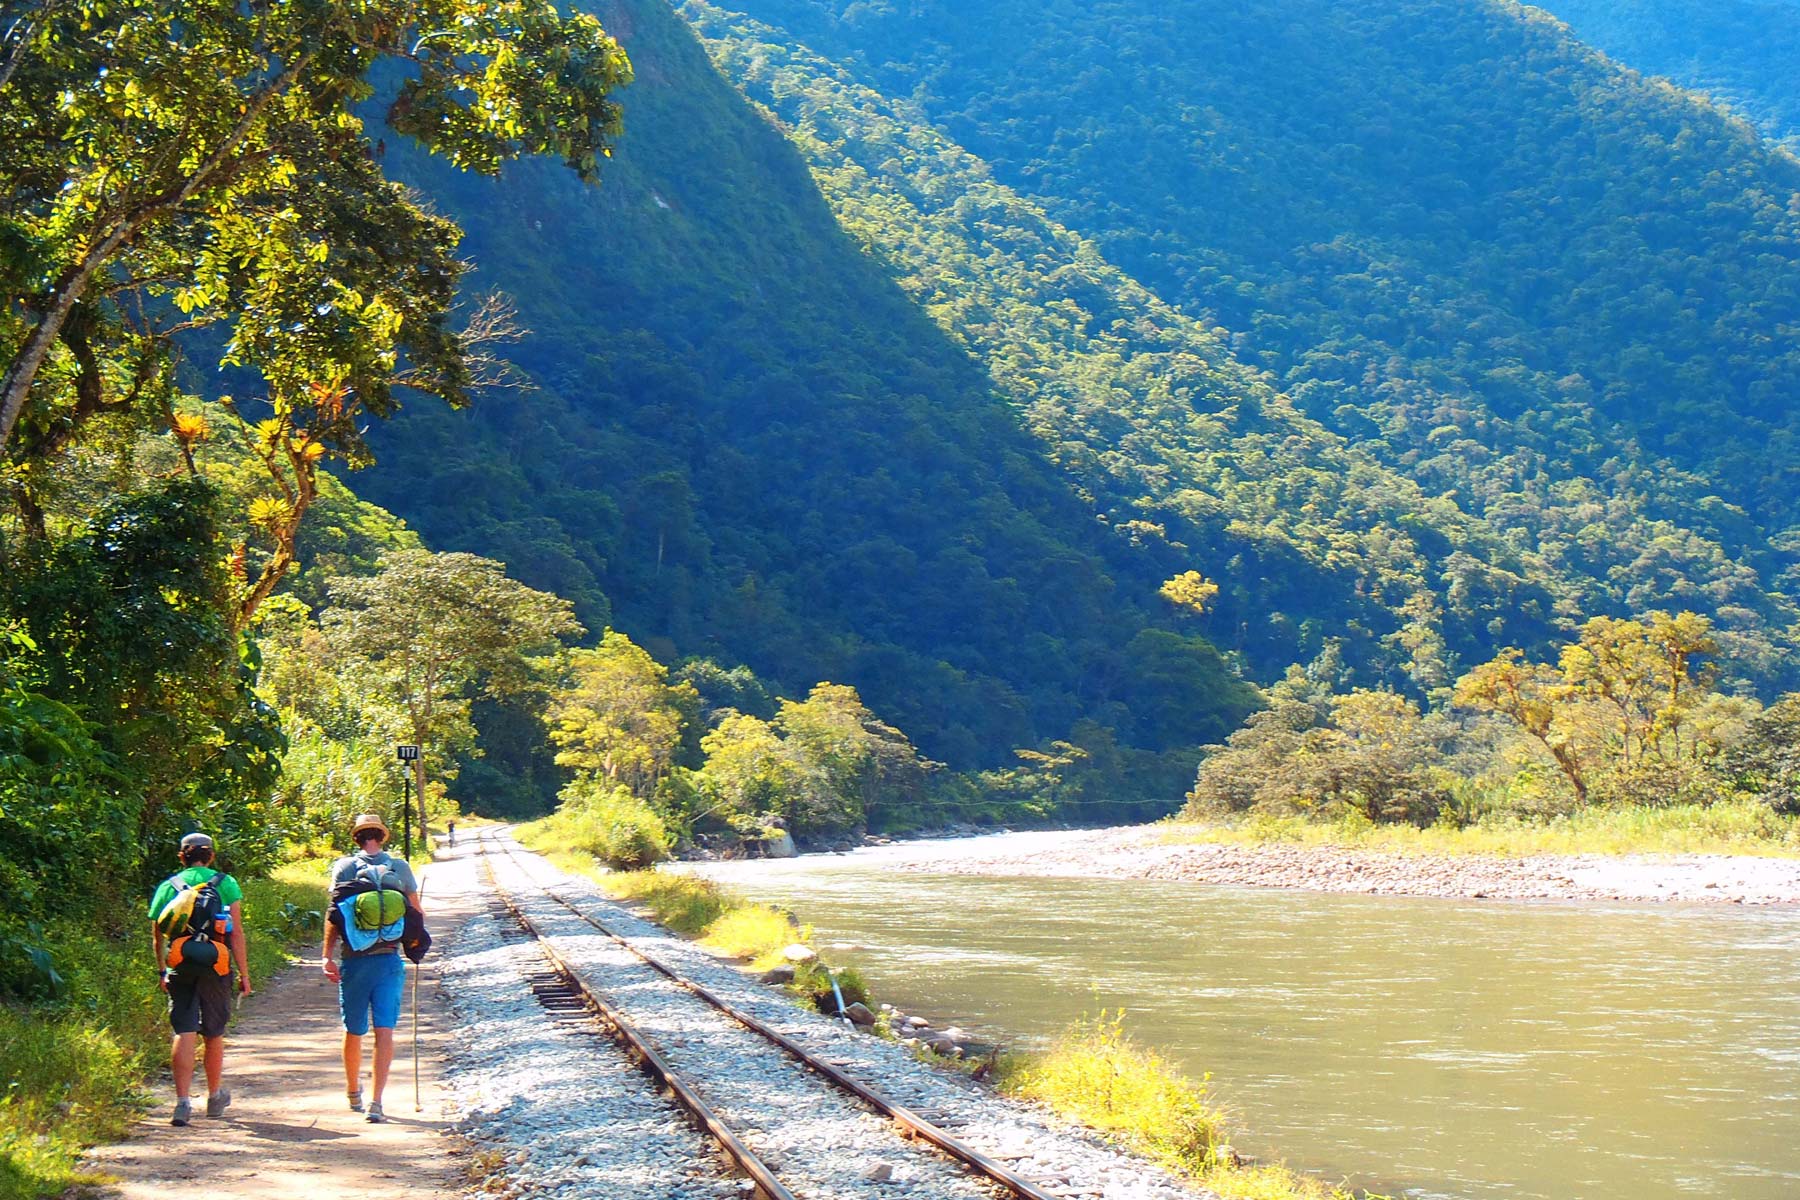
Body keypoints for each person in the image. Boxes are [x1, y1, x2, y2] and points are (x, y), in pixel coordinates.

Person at [148, 832, 251, 1127]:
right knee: (214, 1031)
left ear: (182, 856)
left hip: (181, 961)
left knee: (184, 1028)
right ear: (211, 855)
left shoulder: (169, 886)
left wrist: (162, 970)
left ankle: (182, 1103)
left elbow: (158, 936)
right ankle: (215, 1096)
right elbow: (236, 932)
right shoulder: (226, 883)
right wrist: (244, 974)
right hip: (216, 963)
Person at [324, 813, 420, 1124]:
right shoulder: (399, 867)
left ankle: (354, 1092)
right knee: (385, 1029)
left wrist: (327, 955)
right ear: (382, 836)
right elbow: (417, 912)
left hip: (354, 959)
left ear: (356, 838)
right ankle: (377, 1102)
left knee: (353, 1029)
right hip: (389, 958)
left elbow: (334, 915)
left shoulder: (345, 868)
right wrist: (416, 945)